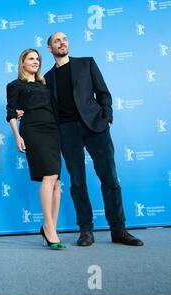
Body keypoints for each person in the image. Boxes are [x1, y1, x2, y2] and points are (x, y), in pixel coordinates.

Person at [43, 32, 143, 246]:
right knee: (77, 182)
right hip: (67, 131)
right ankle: (86, 230)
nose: (62, 43)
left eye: (65, 39)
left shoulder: (86, 63)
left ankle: (119, 230)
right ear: (49, 49)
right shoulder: (47, 78)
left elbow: (103, 92)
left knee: (110, 178)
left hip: (95, 126)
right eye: (56, 41)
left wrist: (106, 116)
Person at [6, 49, 65, 249]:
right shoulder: (14, 85)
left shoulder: (45, 84)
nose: (35, 61)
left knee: (56, 181)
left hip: (52, 130)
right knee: (49, 175)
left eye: (38, 59)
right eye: (31, 58)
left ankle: (51, 228)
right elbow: (11, 112)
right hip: (33, 130)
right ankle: (49, 228)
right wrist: (17, 136)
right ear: (22, 62)